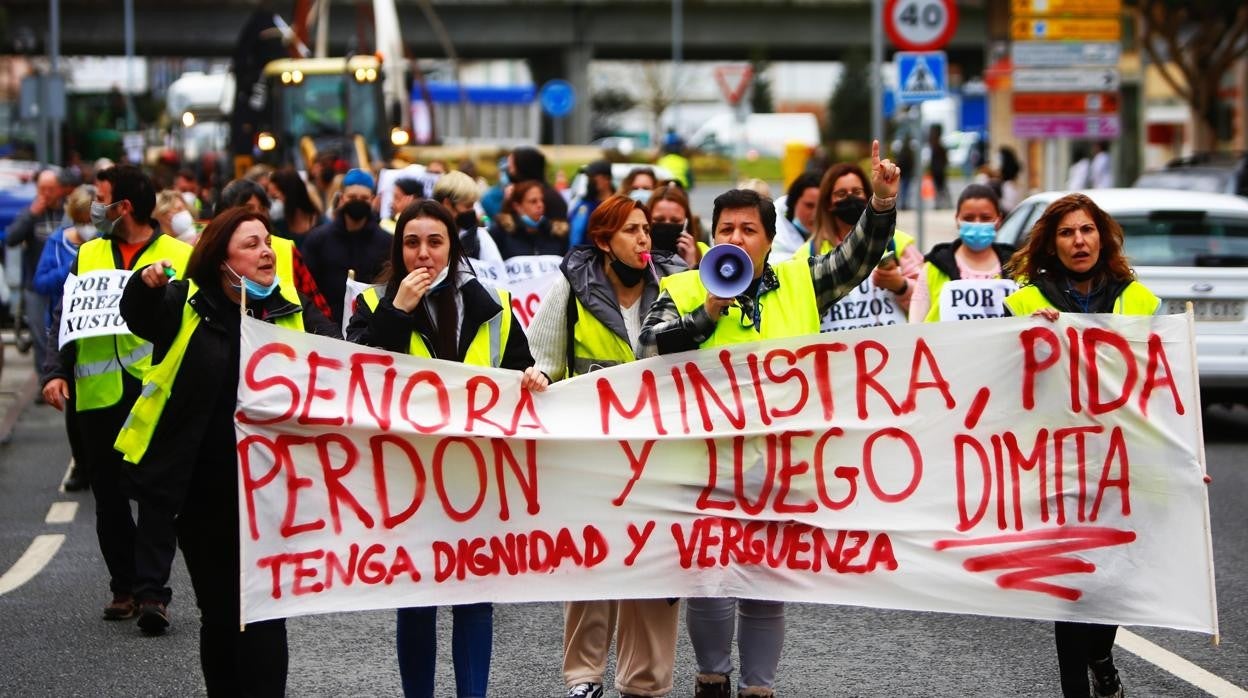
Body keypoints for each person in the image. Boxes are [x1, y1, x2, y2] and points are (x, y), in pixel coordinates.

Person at [639, 142, 900, 698]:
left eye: (748, 230)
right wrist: (706, 314)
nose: (735, 239)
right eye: (726, 229)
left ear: (767, 240)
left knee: (764, 584)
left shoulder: (802, 281)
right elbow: (651, 351)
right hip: (702, 467)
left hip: (781, 465)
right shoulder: (682, 288)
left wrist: (880, 203)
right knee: (709, 582)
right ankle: (712, 679)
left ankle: (760, 688)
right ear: (712, 238)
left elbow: (858, 258)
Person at [116, 207, 336, 695]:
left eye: (267, 243)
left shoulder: (290, 313)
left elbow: (346, 364)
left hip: (274, 495)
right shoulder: (185, 305)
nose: (265, 252)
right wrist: (145, 282)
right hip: (204, 492)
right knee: (220, 613)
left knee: (264, 612)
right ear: (222, 260)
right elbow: (140, 314)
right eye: (251, 244)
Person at [346, 200, 547, 698]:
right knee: (416, 598)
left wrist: (532, 376)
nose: (423, 254)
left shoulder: (492, 302)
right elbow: (357, 379)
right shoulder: (372, 305)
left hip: (474, 472)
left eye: (435, 242)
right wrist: (398, 313)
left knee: (474, 596)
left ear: (453, 249)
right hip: (406, 475)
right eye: (412, 243)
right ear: (399, 248)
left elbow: (521, 365)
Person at [526, 195, 687, 698]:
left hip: (660, 456)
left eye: (646, 231)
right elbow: (544, 360)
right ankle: (583, 679)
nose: (644, 240)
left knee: (654, 570)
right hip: (592, 461)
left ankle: (644, 683)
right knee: (592, 566)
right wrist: (537, 375)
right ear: (603, 241)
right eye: (632, 231)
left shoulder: (678, 286)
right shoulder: (570, 291)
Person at [1002, 192, 1159, 698]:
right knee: (1073, 587)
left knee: (1112, 582)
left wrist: (1185, 457)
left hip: (1122, 462)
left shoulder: (1139, 300)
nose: (1079, 240)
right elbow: (1001, 382)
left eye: (1087, 230)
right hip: (1057, 463)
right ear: (1053, 244)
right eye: (1067, 232)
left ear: (1102, 237)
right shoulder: (1024, 303)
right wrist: (1021, 339)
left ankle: (1100, 654)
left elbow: (1163, 388)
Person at [40, 164, 193, 634]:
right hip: (99, 394)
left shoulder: (178, 254)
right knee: (108, 498)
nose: (95, 206)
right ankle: (124, 587)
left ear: (124, 206)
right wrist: (55, 370)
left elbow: (191, 323)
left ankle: (152, 594)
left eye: (102, 198)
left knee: (154, 495)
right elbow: (66, 315)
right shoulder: (88, 254)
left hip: (154, 391)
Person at [800, 162, 922, 330]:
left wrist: (901, 286)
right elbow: (799, 310)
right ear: (828, 203)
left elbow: (929, 302)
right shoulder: (807, 252)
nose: (850, 198)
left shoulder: (897, 242)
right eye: (841, 194)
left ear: (868, 196)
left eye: (857, 192)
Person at [32, 183, 95, 492]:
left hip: (98, 332)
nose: (89, 227)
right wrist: (71, 272)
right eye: (84, 219)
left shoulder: (104, 246)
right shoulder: (58, 244)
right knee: (74, 402)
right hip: (67, 330)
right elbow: (40, 283)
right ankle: (81, 464)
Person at [218, 178, 333, 322]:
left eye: (263, 208)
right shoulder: (201, 251)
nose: (258, 214)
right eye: (248, 209)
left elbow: (320, 311)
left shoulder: (286, 249)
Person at [908, 183, 1016, 322]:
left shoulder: (1017, 266)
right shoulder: (934, 268)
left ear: (998, 220)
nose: (977, 224)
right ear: (957, 219)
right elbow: (915, 323)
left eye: (985, 218)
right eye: (969, 218)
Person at [302, 168, 391, 321]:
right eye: (352, 197)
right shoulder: (318, 239)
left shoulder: (387, 242)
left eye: (364, 198)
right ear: (342, 199)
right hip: (326, 325)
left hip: (370, 325)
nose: (358, 202)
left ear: (373, 200)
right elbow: (307, 287)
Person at [7, 168, 71, 373]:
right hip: (35, 285)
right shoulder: (30, 212)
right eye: (42, 188)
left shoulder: (67, 213)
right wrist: (30, 215)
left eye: (51, 189)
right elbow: (10, 239)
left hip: (63, 283)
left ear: (60, 189)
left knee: (61, 333)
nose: (46, 193)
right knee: (40, 336)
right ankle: (45, 379)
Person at [430, 170, 504, 271]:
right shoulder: (425, 237)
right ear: (447, 204)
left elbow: (498, 274)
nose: (472, 211)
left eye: (473, 205)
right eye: (468, 206)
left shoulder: (479, 237)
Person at [489, 180, 568, 259]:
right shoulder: (501, 233)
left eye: (542, 200)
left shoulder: (555, 234)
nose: (540, 205)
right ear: (517, 207)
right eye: (533, 201)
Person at [647, 183, 702, 269]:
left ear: (686, 222)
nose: (667, 224)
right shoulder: (638, 256)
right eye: (659, 220)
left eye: (675, 221)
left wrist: (692, 265)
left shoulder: (705, 256)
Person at [771, 172, 822, 261]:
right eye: (809, 206)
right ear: (793, 203)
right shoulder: (774, 249)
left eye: (822, 206)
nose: (815, 214)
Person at [266, 167, 324, 243]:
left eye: (275, 197)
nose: (273, 204)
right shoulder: (277, 228)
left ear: (290, 193)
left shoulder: (322, 224)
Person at [569, 159, 614, 247]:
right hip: (581, 256)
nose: (589, 181)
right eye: (588, 177)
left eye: (593, 177)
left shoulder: (616, 205)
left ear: (607, 179)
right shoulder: (583, 204)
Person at [928, 123, 951, 209]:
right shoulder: (937, 147)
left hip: (938, 171)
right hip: (938, 170)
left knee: (941, 188)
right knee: (940, 188)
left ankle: (944, 203)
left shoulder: (938, 147)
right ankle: (942, 203)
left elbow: (944, 160)